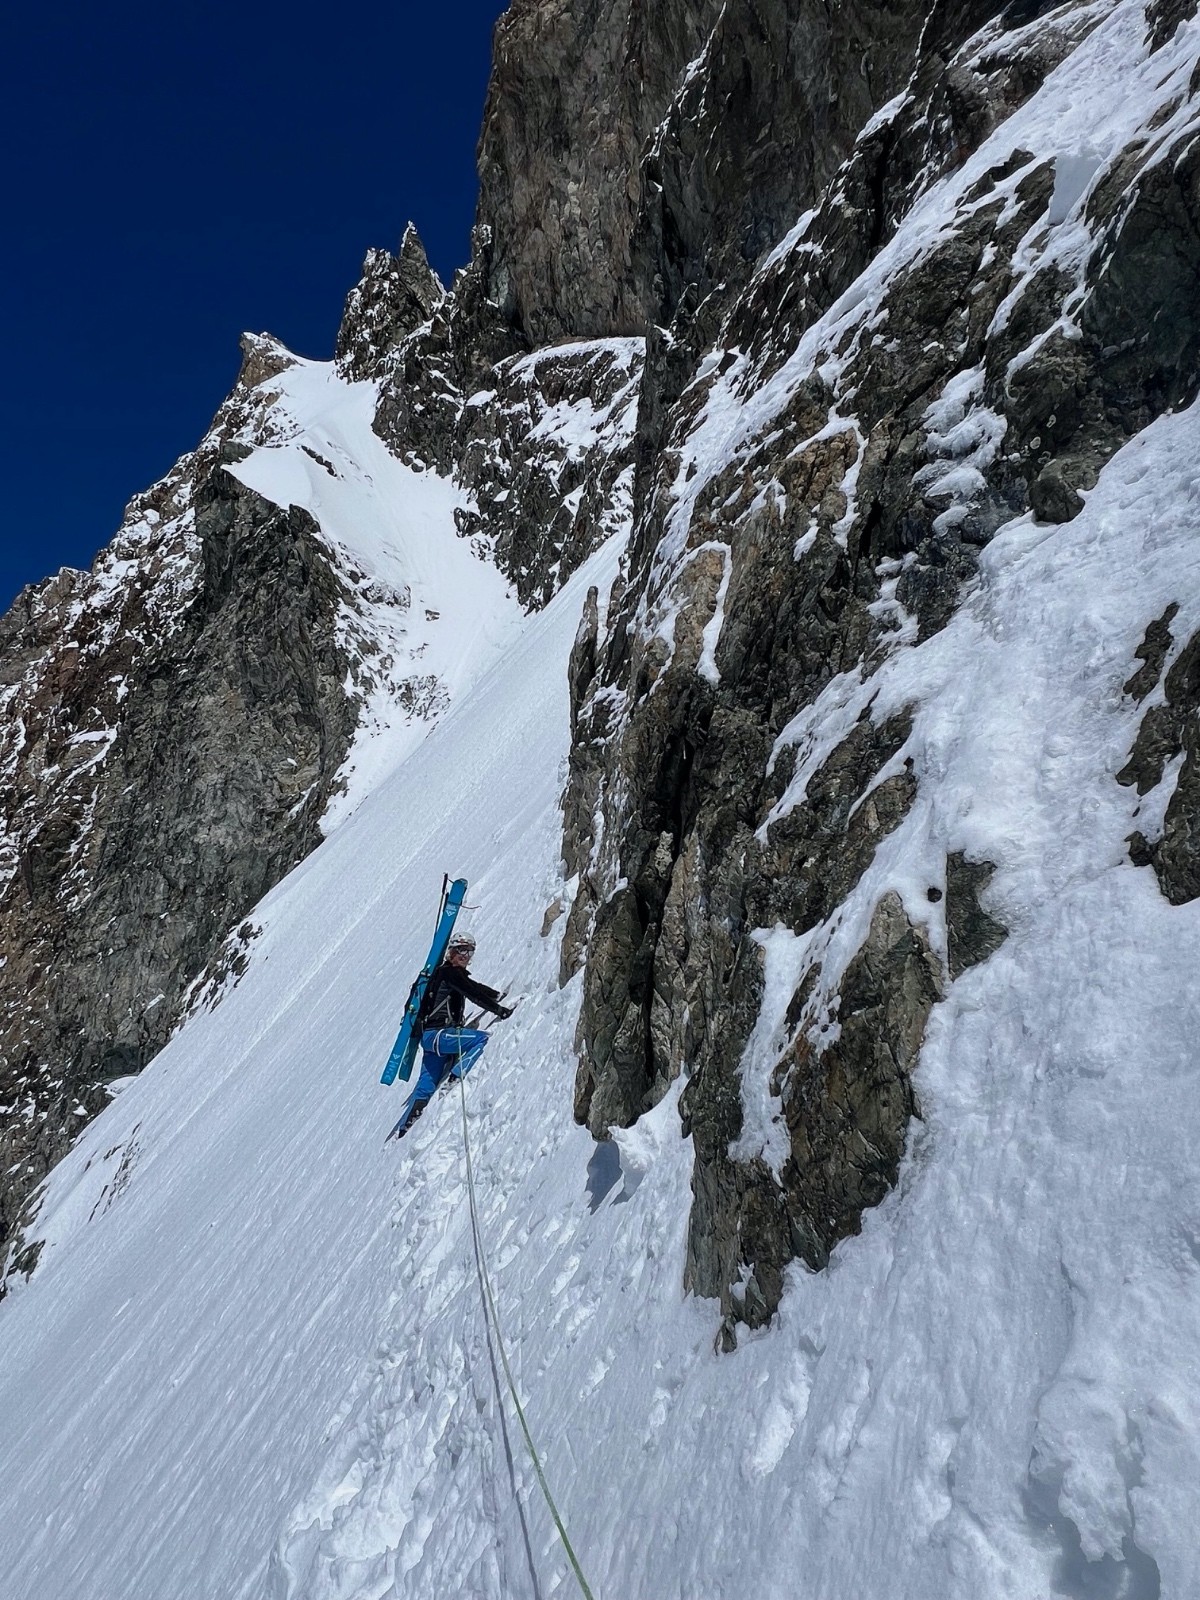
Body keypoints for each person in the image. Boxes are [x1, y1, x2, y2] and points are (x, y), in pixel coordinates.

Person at [394, 932, 513, 1138]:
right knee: (480, 1039)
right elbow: (472, 993)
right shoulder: (450, 973)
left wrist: (495, 995)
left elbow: (472, 986)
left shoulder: (442, 974)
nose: (465, 955)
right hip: (441, 1035)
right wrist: (500, 1011)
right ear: (451, 951)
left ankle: (405, 1128)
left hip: (430, 1040)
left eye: (469, 951)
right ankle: (455, 1076)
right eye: (461, 950)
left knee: (426, 1083)